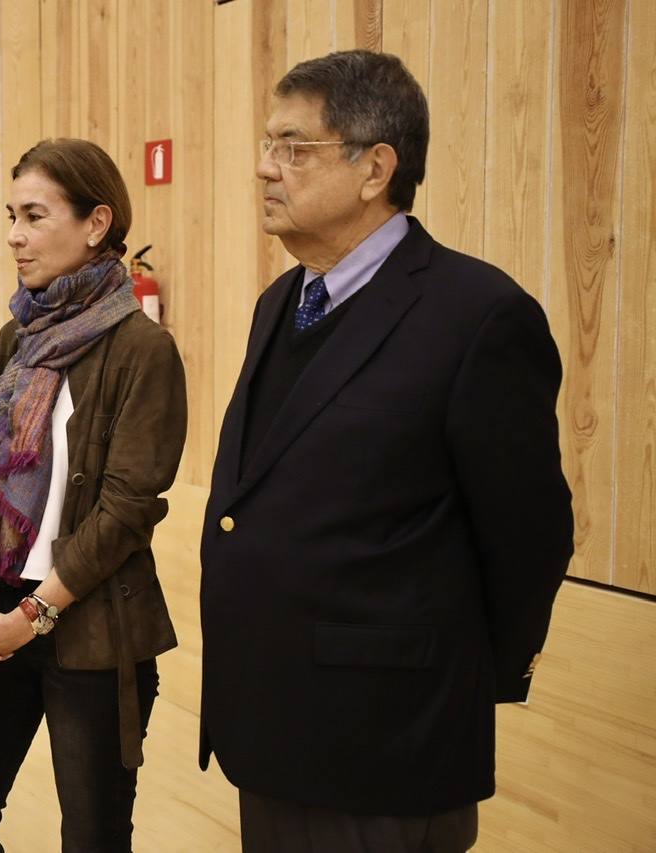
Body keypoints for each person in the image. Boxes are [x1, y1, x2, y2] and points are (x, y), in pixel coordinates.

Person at [199, 50, 574, 852]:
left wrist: (459, 682)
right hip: (271, 725)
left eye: (294, 148)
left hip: (385, 741)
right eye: (267, 145)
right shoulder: (283, 299)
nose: (266, 168)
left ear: (376, 169)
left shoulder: (479, 316)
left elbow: (529, 536)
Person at [0, 138, 188, 852]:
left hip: (91, 628)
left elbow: (128, 509)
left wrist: (34, 615)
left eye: (34, 215)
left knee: (94, 840)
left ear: (96, 222)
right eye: (12, 214)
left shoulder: (142, 349)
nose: (14, 234)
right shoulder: (17, 336)